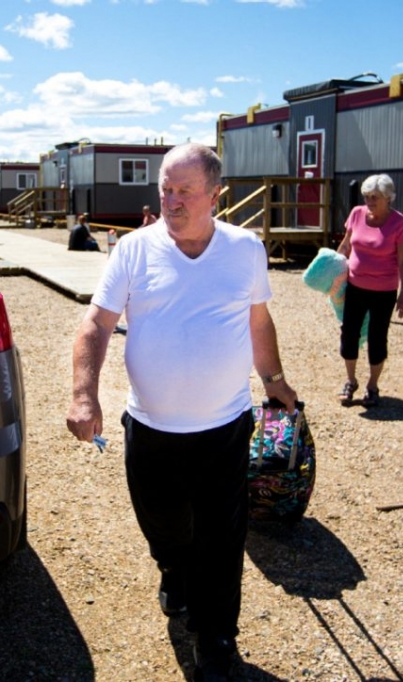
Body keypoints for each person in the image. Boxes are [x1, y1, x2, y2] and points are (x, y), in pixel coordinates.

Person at [66, 143, 297, 682]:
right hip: (150, 426)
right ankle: (173, 567)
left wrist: (274, 378)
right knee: (165, 527)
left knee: (221, 536)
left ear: (215, 195)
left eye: (184, 191)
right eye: (165, 190)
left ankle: (216, 640)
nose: (170, 201)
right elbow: (96, 324)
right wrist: (84, 393)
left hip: (224, 425)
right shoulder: (133, 250)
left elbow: (258, 321)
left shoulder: (245, 249)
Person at [334, 173, 403, 408]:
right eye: (367, 197)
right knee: (349, 333)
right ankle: (350, 381)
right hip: (355, 286)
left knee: (378, 338)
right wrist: (333, 270)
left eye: (375, 197)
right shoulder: (357, 214)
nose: (369, 201)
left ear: (388, 198)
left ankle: (372, 386)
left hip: (384, 290)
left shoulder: (400, 223)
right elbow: (346, 245)